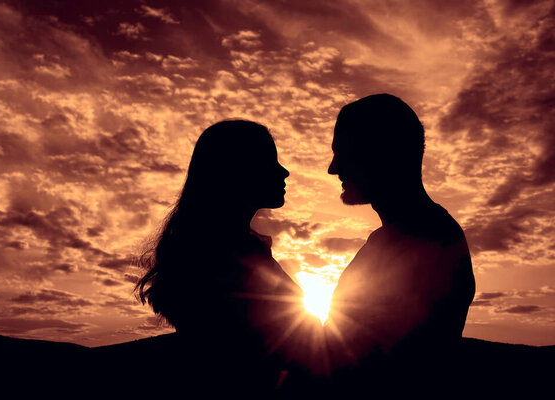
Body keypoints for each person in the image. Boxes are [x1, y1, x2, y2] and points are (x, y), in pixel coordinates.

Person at [134, 120, 318, 396]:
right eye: (269, 161)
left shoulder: (222, 248)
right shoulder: (224, 257)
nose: (284, 171)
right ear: (238, 170)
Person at [325, 94, 476, 396]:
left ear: (379, 153)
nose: (333, 168)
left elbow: (375, 368)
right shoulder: (392, 238)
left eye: (343, 152)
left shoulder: (429, 242)